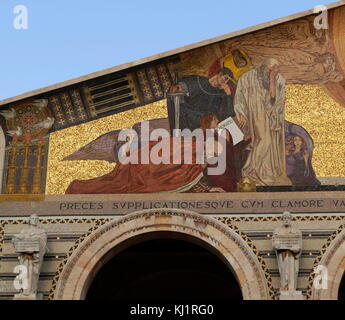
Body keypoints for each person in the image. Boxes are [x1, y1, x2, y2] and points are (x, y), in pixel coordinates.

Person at [234, 58, 291, 186]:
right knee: (264, 140)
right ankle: (249, 170)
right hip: (255, 113)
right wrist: (241, 112)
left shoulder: (278, 79)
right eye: (270, 70)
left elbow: (277, 99)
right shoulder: (248, 77)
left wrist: (272, 79)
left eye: (275, 70)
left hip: (271, 116)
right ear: (263, 67)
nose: (272, 72)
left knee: (271, 144)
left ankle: (265, 172)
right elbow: (239, 96)